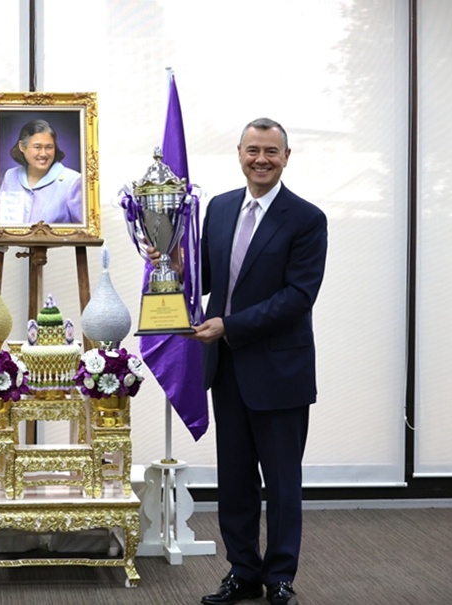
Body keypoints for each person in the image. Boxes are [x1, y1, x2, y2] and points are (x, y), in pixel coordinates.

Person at [152, 118, 327, 605]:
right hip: (226, 369)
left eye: (271, 151)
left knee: (283, 483)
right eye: (253, 150)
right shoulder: (221, 207)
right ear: (239, 153)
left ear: (286, 157)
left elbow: (298, 297)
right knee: (235, 481)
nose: (261, 160)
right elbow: (206, 277)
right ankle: (243, 571)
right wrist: (171, 261)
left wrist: (229, 326)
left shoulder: (307, 219)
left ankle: (280, 577)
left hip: (279, 371)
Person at [0, 118, 83, 225]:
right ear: (22, 147)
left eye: (49, 147)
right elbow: (1, 221)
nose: (43, 154)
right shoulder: (10, 176)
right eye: (37, 147)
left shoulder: (72, 181)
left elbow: (85, 231)